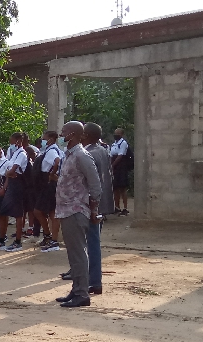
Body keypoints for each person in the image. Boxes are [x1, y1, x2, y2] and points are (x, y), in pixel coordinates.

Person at [53, 121, 101, 308]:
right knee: (73, 253)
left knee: (79, 253)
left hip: (76, 210)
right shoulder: (69, 155)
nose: (61, 135)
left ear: (72, 134)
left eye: (64, 132)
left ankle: (82, 294)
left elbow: (95, 185)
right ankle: (76, 289)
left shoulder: (82, 155)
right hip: (66, 210)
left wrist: (94, 209)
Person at [82, 122, 111, 295]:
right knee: (92, 242)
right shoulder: (102, 150)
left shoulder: (90, 154)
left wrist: (93, 208)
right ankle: (91, 278)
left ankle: (93, 281)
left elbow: (93, 184)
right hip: (100, 205)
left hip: (92, 205)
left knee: (91, 243)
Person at [35, 131, 63, 252]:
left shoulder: (52, 151)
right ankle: (48, 236)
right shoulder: (49, 150)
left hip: (50, 184)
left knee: (51, 212)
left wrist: (52, 174)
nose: (43, 141)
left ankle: (53, 240)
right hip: (45, 183)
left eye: (44, 138)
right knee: (40, 211)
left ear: (51, 139)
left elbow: (57, 162)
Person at [110, 128, 131, 216]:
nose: (116, 135)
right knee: (115, 188)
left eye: (117, 133)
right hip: (114, 167)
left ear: (121, 134)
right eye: (115, 133)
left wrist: (113, 165)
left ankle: (125, 208)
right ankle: (117, 207)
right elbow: (111, 155)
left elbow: (120, 155)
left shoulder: (123, 143)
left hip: (121, 167)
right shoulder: (113, 144)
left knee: (123, 188)